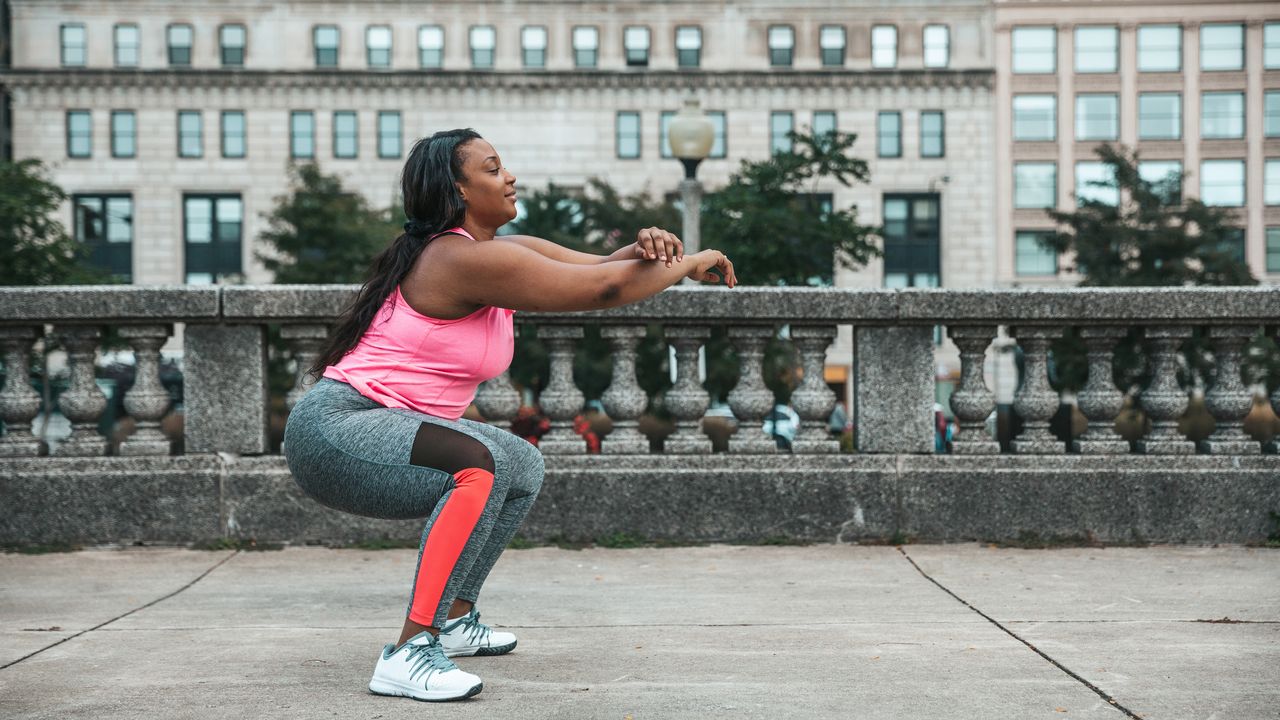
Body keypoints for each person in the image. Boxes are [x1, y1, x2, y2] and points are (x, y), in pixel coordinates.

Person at [283, 128, 737, 703]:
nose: (510, 177)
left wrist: (653, 245)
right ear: (459, 190)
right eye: (493, 168)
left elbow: (604, 265)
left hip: (375, 425)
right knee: (477, 464)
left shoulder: (494, 253)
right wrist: (691, 261)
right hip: (338, 429)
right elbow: (603, 290)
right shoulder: (455, 259)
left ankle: (453, 617)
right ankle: (409, 651)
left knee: (519, 463)